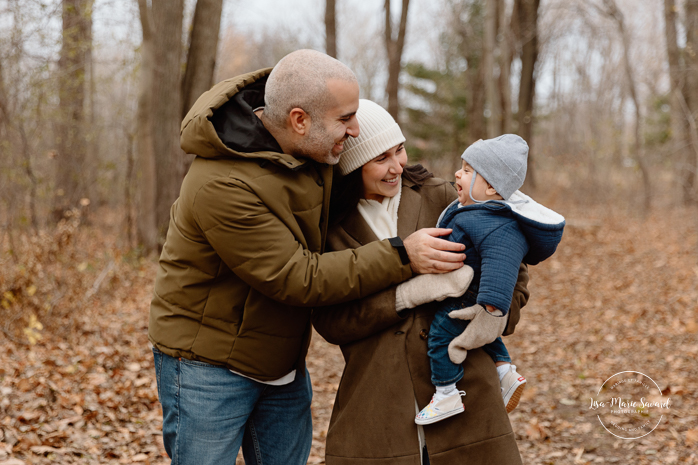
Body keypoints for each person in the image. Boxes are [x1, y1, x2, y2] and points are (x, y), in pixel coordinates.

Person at [148, 50, 468, 465]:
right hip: (207, 368)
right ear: (299, 120)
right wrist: (402, 254)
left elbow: (376, 175)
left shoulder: (313, 151)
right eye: (345, 118)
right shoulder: (222, 184)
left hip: (281, 360)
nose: (355, 130)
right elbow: (297, 277)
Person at [313, 100, 530, 465]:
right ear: (352, 166)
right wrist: (404, 296)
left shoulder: (443, 197)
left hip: (469, 402)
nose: (397, 165)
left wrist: (494, 317)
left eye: (399, 149)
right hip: (377, 410)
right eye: (381, 158)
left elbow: (513, 264)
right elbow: (331, 321)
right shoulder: (330, 230)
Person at [415, 135, 566, 425]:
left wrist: (492, 308)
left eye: (468, 170)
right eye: (461, 167)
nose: (458, 174)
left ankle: (446, 393)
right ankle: (505, 371)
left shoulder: (495, 223)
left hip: (472, 297)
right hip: (471, 291)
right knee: (484, 338)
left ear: (492, 187)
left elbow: (502, 265)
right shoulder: (477, 211)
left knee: (440, 336)